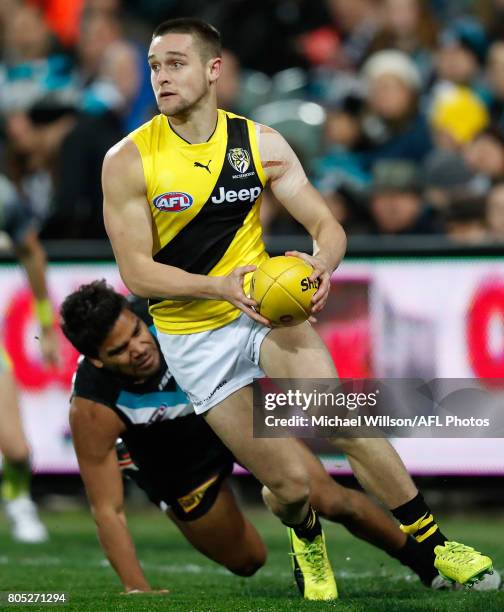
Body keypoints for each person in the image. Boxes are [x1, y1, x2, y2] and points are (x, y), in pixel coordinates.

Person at [101, 18, 493, 599]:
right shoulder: (128, 159)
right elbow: (136, 272)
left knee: (346, 419)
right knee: (287, 486)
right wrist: (222, 287)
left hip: (264, 316)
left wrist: (319, 265)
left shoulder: (260, 144)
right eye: (156, 65)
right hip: (192, 337)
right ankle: (305, 537)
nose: (162, 75)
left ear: (214, 70)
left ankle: (437, 546)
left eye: (177, 62)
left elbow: (326, 226)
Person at [60, 282, 501, 593]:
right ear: (96, 362)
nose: (138, 348)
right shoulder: (92, 407)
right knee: (248, 562)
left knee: (331, 497)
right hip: (176, 466)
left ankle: (428, 565)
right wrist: (137, 589)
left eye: (136, 332)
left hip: (228, 412)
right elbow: (107, 509)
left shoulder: (169, 314)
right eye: (119, 351)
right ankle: (134, 460)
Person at [0, 174, 58, 542]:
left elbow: (32, 252)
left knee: (18, 450)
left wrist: (47, 324)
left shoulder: (3, 195)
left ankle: (17, 499)